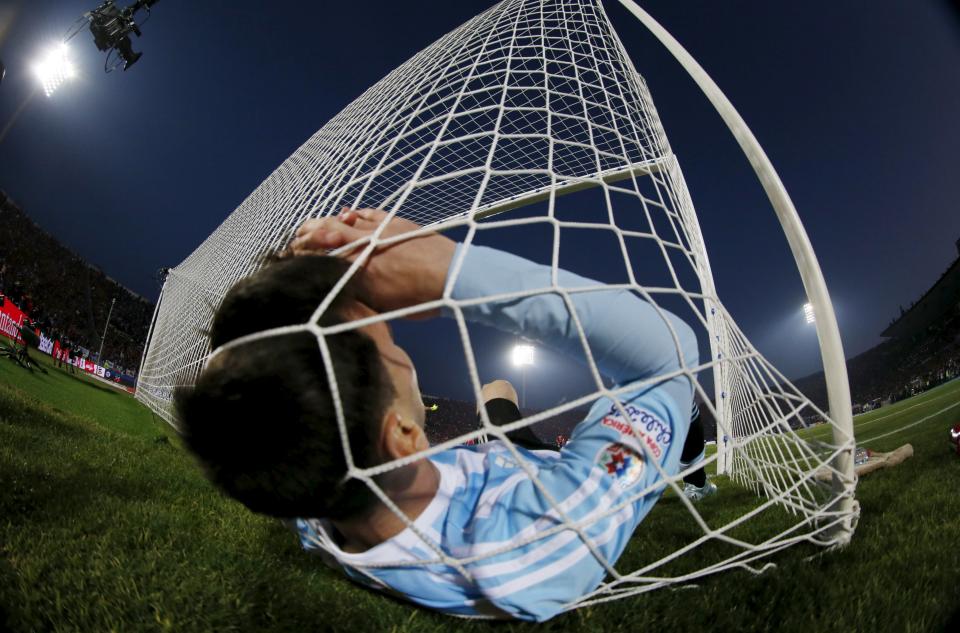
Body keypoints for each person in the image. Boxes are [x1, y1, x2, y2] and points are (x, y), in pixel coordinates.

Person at [176, 208, 699, 622]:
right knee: (675, 405)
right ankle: (693, 470)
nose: (404, 350)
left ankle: (503, 418)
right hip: (539, 470)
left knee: (499, 396)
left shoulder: (310, 493)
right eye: (389, 338)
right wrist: (449, 270)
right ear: (403, 434)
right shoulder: (527, 549)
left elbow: (266, 394)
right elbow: (670, 354)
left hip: (484, 457)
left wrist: (296, 281)